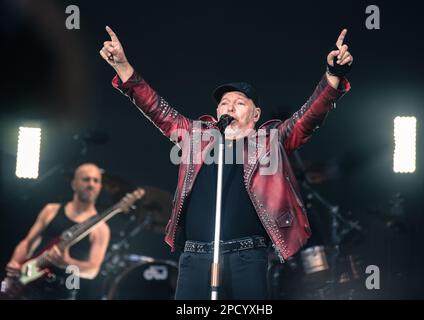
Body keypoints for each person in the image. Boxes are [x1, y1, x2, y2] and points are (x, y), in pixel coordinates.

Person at [100, 26, 352, 299]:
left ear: (255, 114)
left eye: (239, 103)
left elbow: (307, 118)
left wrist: (333, 76)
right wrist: (124, 67)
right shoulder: (196, 138)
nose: (229, 107)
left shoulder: (271, 141)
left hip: (247, 257)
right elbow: (156, 108)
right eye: (223, 103)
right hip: (195, 257)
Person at [4, 163, 111, 299]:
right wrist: (15, 262)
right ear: (74, 184)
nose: (91, 184)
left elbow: (92, 271)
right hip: (29, 285)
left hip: (63, 291)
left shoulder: (101, 228)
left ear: (100, 187)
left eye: (96, 180)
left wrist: (66, 263)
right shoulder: (51, 210)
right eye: (86, 179)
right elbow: (28, 242)